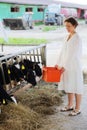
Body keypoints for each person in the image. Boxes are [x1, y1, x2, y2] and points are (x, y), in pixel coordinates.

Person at [55, 17, 83, 116]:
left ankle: (77, 108)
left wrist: (64, 66)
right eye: (66, 26)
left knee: (76, 86)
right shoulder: (66, 36)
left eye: (69, 26)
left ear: (74, 26)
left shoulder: (77, 38)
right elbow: (63, 51)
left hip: (74, 66)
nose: (67, 28)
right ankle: (70, 105)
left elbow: (73, 54)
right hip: (65, 65)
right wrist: (58, 63)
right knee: (69, 85)